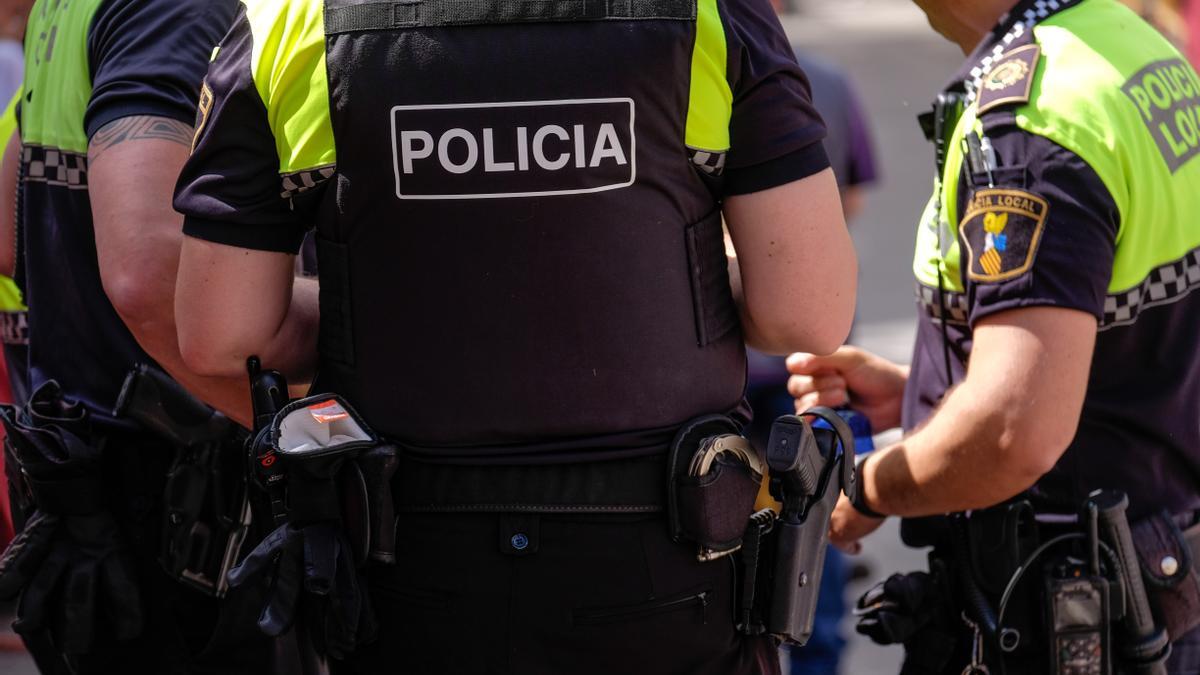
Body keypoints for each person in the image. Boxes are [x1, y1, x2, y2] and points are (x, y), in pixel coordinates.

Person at [170, 0, 858, 672]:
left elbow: (220, 333)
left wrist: (393, 309)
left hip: (403, 568)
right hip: (662, 571)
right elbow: (807, 312)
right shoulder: (710, 13)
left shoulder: (292, 19)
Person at [789, 0, 1200, 672]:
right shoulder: (1131, 46)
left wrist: (867, 485)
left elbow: (1013, 432)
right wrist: (923, 391)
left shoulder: (1031, 122)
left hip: (1062, 625)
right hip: (1150, 596)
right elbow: (1127, 344)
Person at [0, 0, 277, 671]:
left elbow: (9, 234)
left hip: (89, 492)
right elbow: (150, 281)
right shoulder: (174, 8)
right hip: (179, 508)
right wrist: (292, 417)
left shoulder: (70, 10)